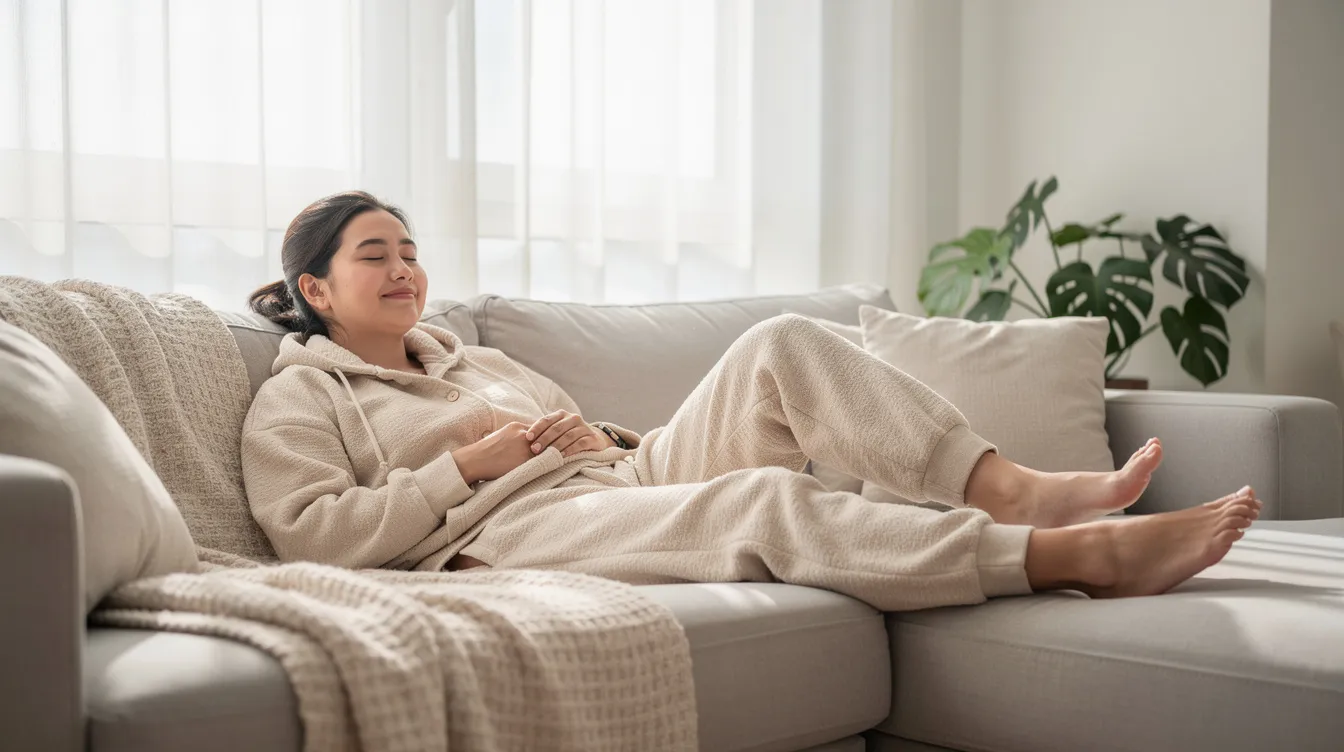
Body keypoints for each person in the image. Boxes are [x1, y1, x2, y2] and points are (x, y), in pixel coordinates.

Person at [242, 190, 1261, 612]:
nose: (406, 268)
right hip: (514, 529)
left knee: (783, 342)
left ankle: (1015, 487)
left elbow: (588, 442)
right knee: (762, 503)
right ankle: (1067, 556)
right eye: (375, 254)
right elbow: (314, 535)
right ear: (316, 290)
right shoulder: (301, 398)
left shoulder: (466, 357)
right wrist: (469, 464)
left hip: (613, 474)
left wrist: (591, 434)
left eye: (413, 251)